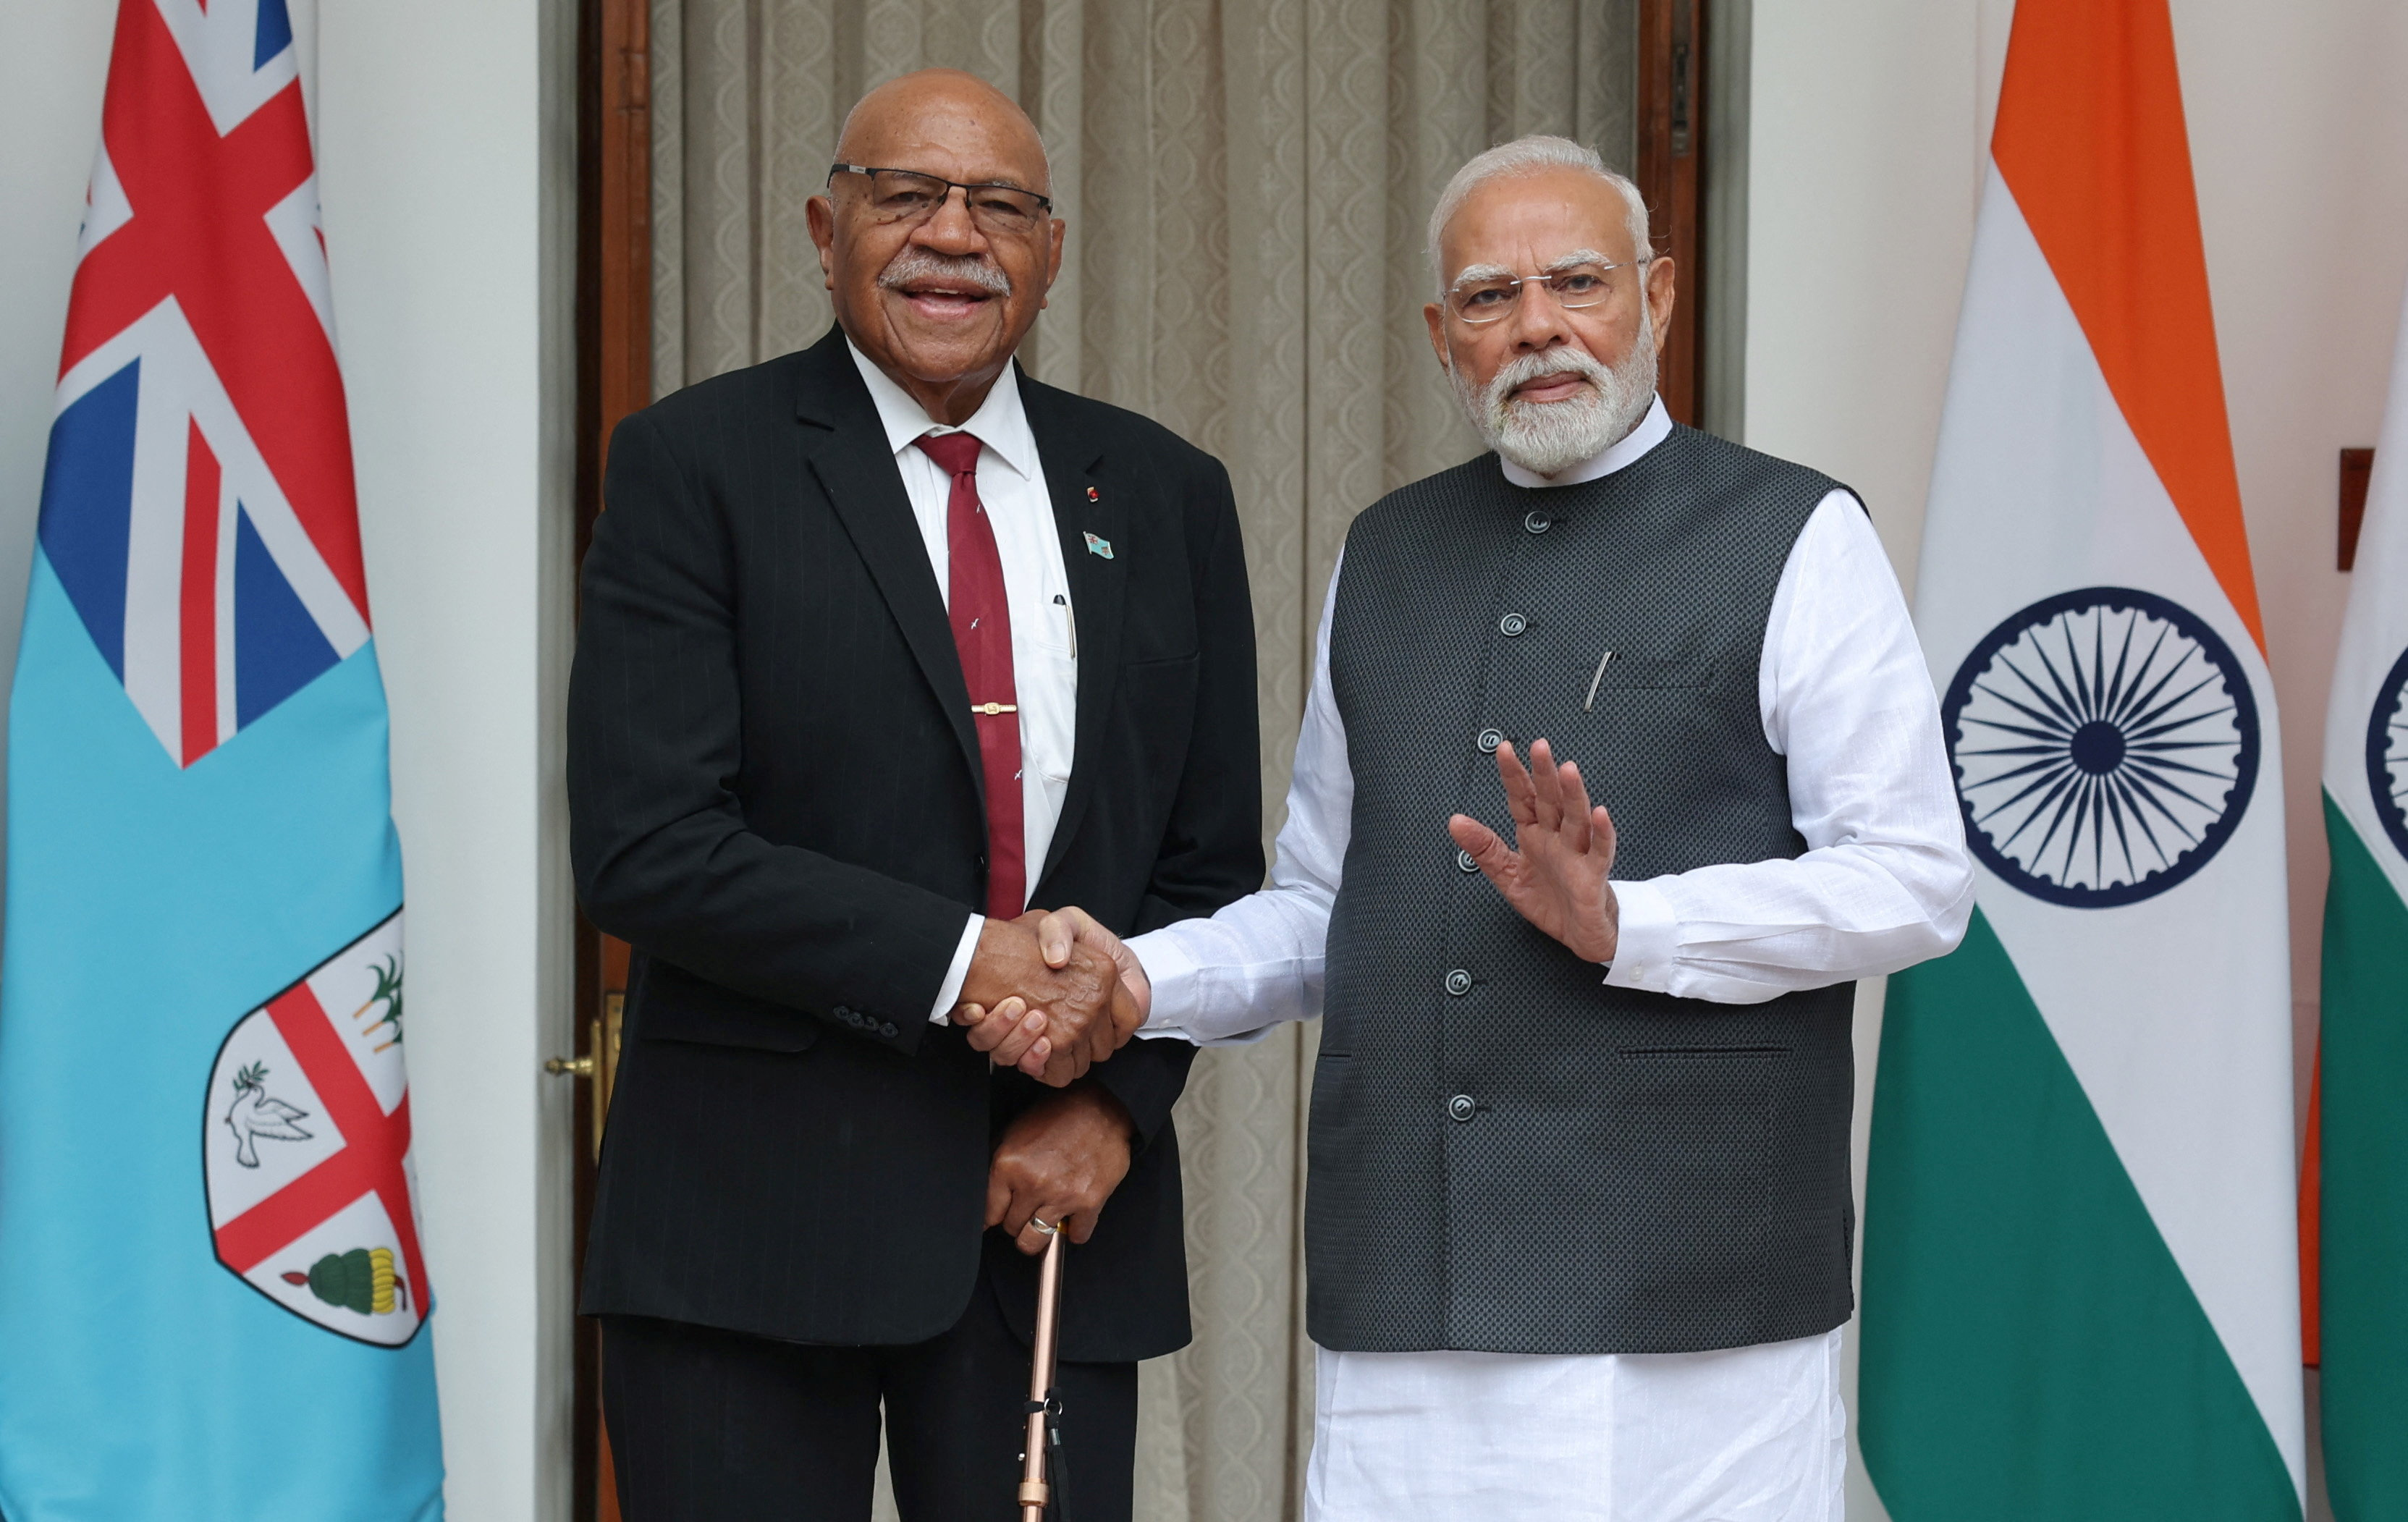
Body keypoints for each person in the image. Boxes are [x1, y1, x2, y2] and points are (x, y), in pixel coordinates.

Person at [1013, 135, 1974, 1520]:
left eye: (1577, 283)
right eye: (1489, 297)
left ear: (1655, 297)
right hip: (1414, 1284)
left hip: (1693, 1296)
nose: (1536, 327)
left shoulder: (1797, 533)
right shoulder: (1385, 550)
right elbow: (1326, 903)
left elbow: (1915, 882)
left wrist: (1632, 922)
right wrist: (1137, 979)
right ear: (1440, 336)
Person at [566, 68, 1262, 1521]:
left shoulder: (1164, 493)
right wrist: (967, 962)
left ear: (1050, 252)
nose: (953, 235)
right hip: (748, 1236)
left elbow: (1206, 869)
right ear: (826, 231)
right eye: (906, 197)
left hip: (1049, 1215)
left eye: (998, 205)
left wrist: (1117, 1108)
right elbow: (649, 847)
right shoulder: (694, 465)